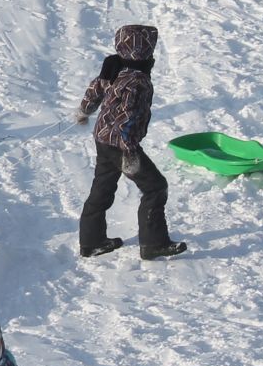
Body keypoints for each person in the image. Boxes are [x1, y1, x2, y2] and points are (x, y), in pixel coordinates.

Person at [74, 25, 187, 261]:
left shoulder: (114, 66)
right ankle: (154, 244)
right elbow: (127, 117)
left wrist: (85, 111)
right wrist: (129, 151)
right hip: (120, 145)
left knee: (102, 188)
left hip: (103, 139)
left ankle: (91, 242)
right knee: (155, 187)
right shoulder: (138, 81)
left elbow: (94, 90)